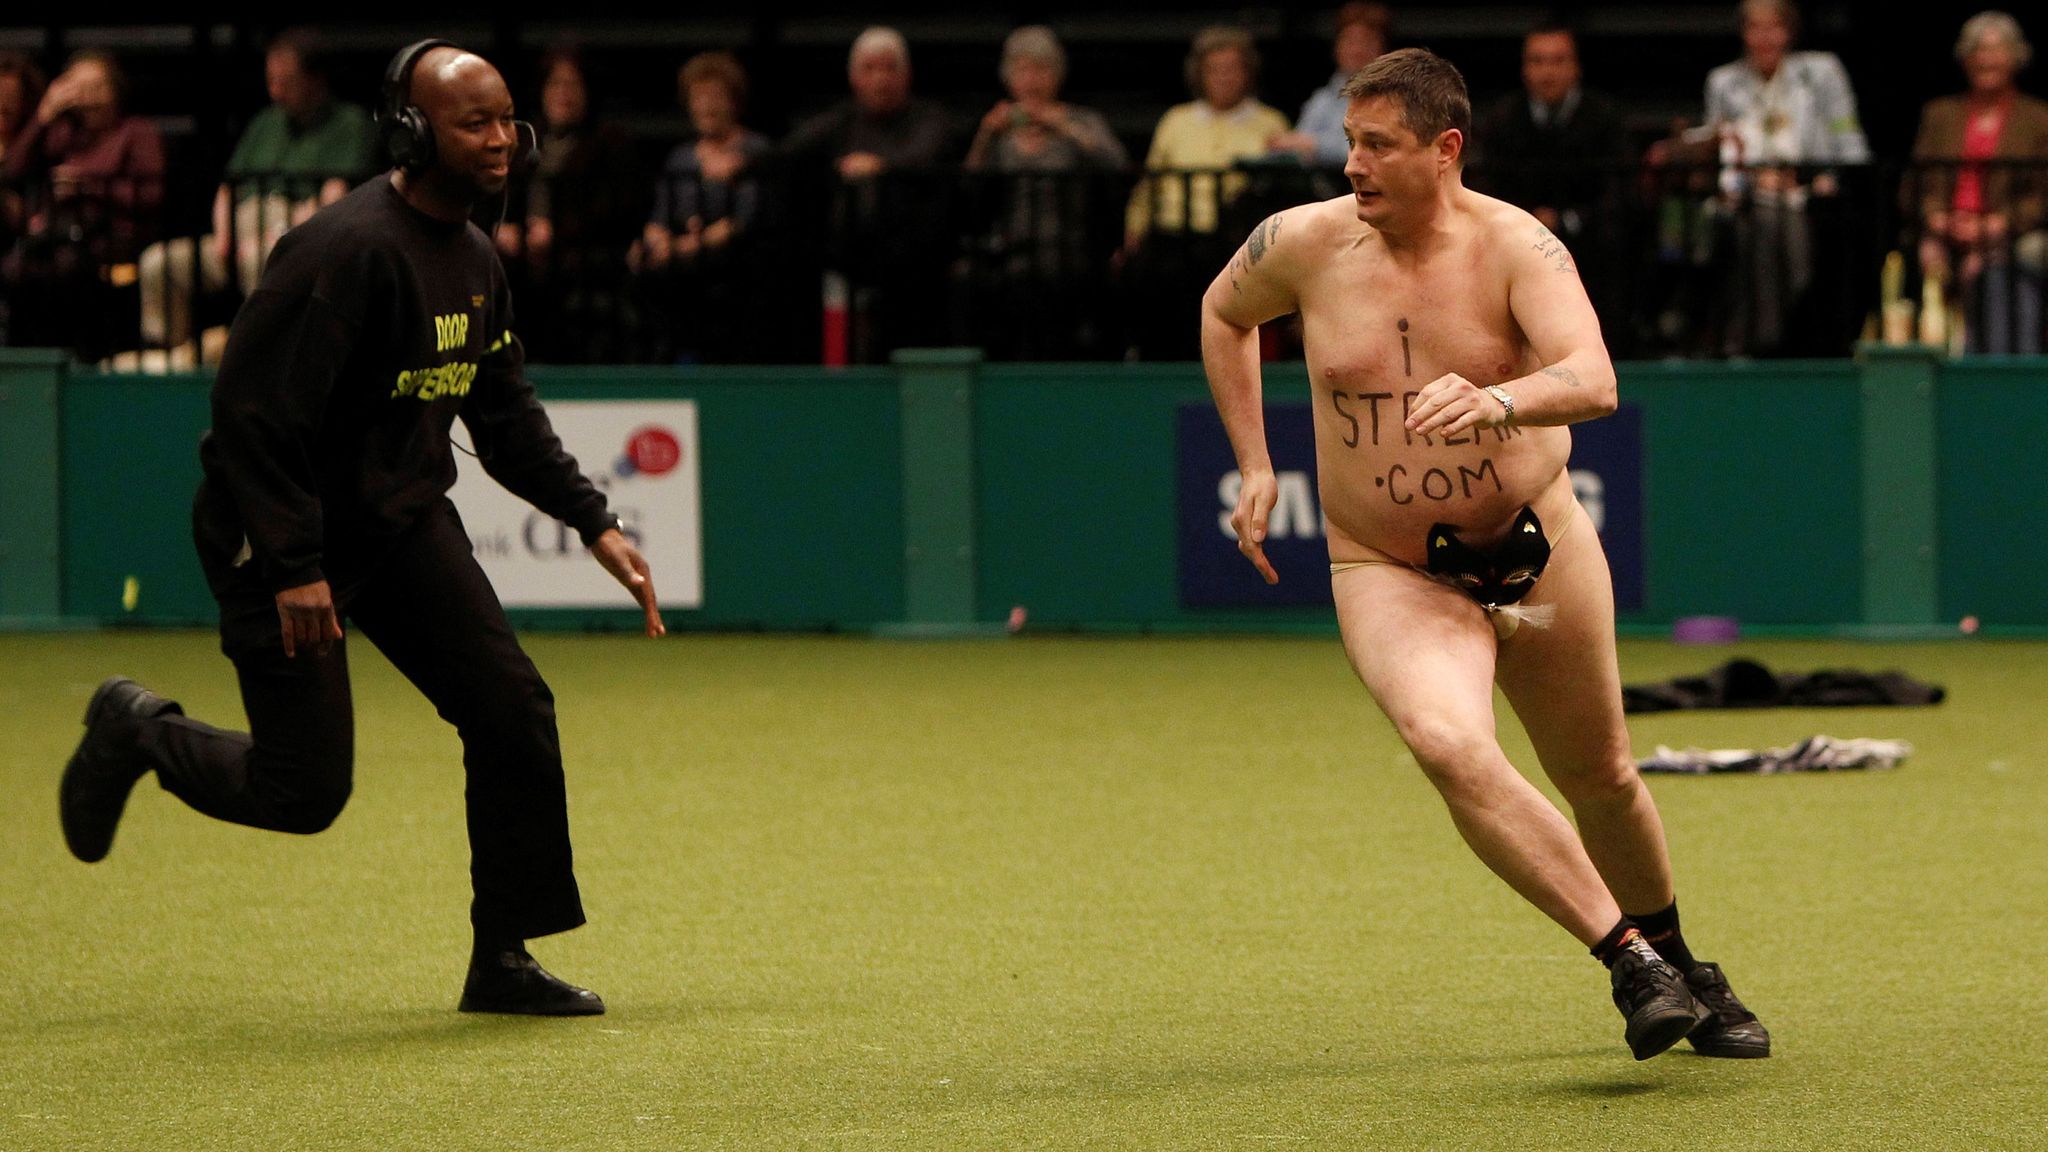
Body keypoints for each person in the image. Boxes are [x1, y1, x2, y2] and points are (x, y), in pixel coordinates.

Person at [57, 40, 663, 1017]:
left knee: (511, 711)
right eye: (476, 121)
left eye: (508, 117)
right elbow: (253, 418)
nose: (503, 138)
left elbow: (501, 413)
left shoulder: (473, 257)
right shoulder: (342, 251)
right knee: (303, 793)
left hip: (396, 523)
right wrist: (293, 565)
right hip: (279, 535)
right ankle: (137, 731)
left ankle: (500, 959)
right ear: (412, 131)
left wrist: (594, 521)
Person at [1199, 48, 1769, 1061]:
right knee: (1446, 743)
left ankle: (1682, 961)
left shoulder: (1518, 247)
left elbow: (1592, 377)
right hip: (1386, 564)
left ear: (1443, 150)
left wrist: (1497, 397)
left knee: (1599, 773)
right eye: (1349, 143)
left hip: (1534, 547)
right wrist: (1252, 461)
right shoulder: (1299, 244)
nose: (1352, 165)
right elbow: (1220, 312)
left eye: (1378, 145)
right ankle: (1627, 962)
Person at [137, 29, 379, 361]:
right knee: (160, 263)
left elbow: (333, 197)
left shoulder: (349, 124)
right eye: (271, 80)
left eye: (286, 82)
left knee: (262, 261)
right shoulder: (266, 122)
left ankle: (262, 365)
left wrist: (276, 236)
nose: (275, 91)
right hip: (237, 239)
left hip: (293, 239)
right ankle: (164, 361)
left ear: (315, 79)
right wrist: (225, 237)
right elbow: (228, 187)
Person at [780, 27, 961, 360]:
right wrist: (739, 159)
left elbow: (926, 157)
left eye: (890, 68)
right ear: (854, 77)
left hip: (919, 272)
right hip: (851, 267)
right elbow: (788, 152)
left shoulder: (930, 120)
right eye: (870, 69)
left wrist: (880, 167)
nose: (881, 79)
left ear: (907, 75)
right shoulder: (839, 123)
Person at [1702, 0, 1868, 355]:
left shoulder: (1821, 72)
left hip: (1810, 190)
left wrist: (1830, 178)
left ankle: (1778, 333)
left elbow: (1849, 139)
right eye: (1754, 27)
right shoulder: (1723, 82)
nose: (1764, 37)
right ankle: (1767, 339)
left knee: (1786, 225)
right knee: (1758, 224)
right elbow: (1720, 151)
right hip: (1750, 195)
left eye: (1774, 27)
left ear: (1790, 32)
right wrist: (1751, 181)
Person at [1125, 25, 1291, 359]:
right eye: (1214, 70)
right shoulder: (1176, 120)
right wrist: (1134, 229)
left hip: (1237, 243)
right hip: (1173, 241)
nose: (1223, 78)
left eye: (1232, 69)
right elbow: (1150, 181)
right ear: (1199, 74)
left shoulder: (1271, 123)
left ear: (1248, 73)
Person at [962, 25, 1128, 358]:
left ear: (1058, 75)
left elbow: (1116, 163)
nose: (1031, 80)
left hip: (1072, 255)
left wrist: (1062, 127)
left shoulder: (1081, 120)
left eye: (1041, 69)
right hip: (1011, 257)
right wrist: (984, 135)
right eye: (1022, 70)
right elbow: (968, 185)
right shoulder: (1000, 129)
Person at [0, 50, 164, 356]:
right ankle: (28, 358)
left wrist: (87, 189)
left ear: (115, 91)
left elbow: (151, 194)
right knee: (15, 268)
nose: (88, 97)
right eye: (79, 87)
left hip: (109, 239)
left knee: (68, 269)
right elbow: (13, 171)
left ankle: (79, 357)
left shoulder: (135, 132)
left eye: (97, 87)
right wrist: (44, 115)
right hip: (56, 237)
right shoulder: (63, 134)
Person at [1468, 27, 1629, 332]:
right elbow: (1485, 190)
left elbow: (1619, 193)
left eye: (1558, 61)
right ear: (1524, 69)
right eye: (1538, 61)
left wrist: (1567, 220)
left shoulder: (1605, 119)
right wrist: (1527, 222)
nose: (1547, 72)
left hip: (1592, 246)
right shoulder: (1502, 121)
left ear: (1576, 67)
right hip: (1516, 239)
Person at [1911, 10, 2048, 355]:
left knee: (2005, 267)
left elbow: (2041, 193)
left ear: (2016, 57)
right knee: (1929, 264)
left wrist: (1994, 226)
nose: (1986, 59)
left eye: (1996, 49)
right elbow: (1918, 181)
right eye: (1978, 50)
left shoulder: (2038, 118)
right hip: (1948, 229)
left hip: (2011, 233)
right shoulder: (1940, 114)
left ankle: (2008, 371)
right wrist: (1937, 218)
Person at [492, 45, 637, 363]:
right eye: (555, 84)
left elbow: (615, 207)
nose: (563, 93)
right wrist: (506, 231)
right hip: (522, 256)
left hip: (581, 256)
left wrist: (556, 231)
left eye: (572, 85)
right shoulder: (524, 141)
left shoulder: (609, 141)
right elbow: (500, 199)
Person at [634, 50, 773, 362]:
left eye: (716, 96)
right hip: (681, 263)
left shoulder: (753, 152)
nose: (707, 105)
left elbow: (740, 223)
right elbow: (659, 216)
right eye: (699, 97)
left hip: (734, 265)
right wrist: (654, 243)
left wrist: (684, 247)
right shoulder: (680, 157)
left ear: (734, 102)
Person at [1269, 3, 1390, 166]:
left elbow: (1379, 150)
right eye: (1350, 42)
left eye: (1366, 42)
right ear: (1337, 48)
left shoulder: (1395, 100)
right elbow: (1296, 149)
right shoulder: (1322, 99)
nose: (1357, 50)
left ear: (1382, 49)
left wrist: (1315, 145)